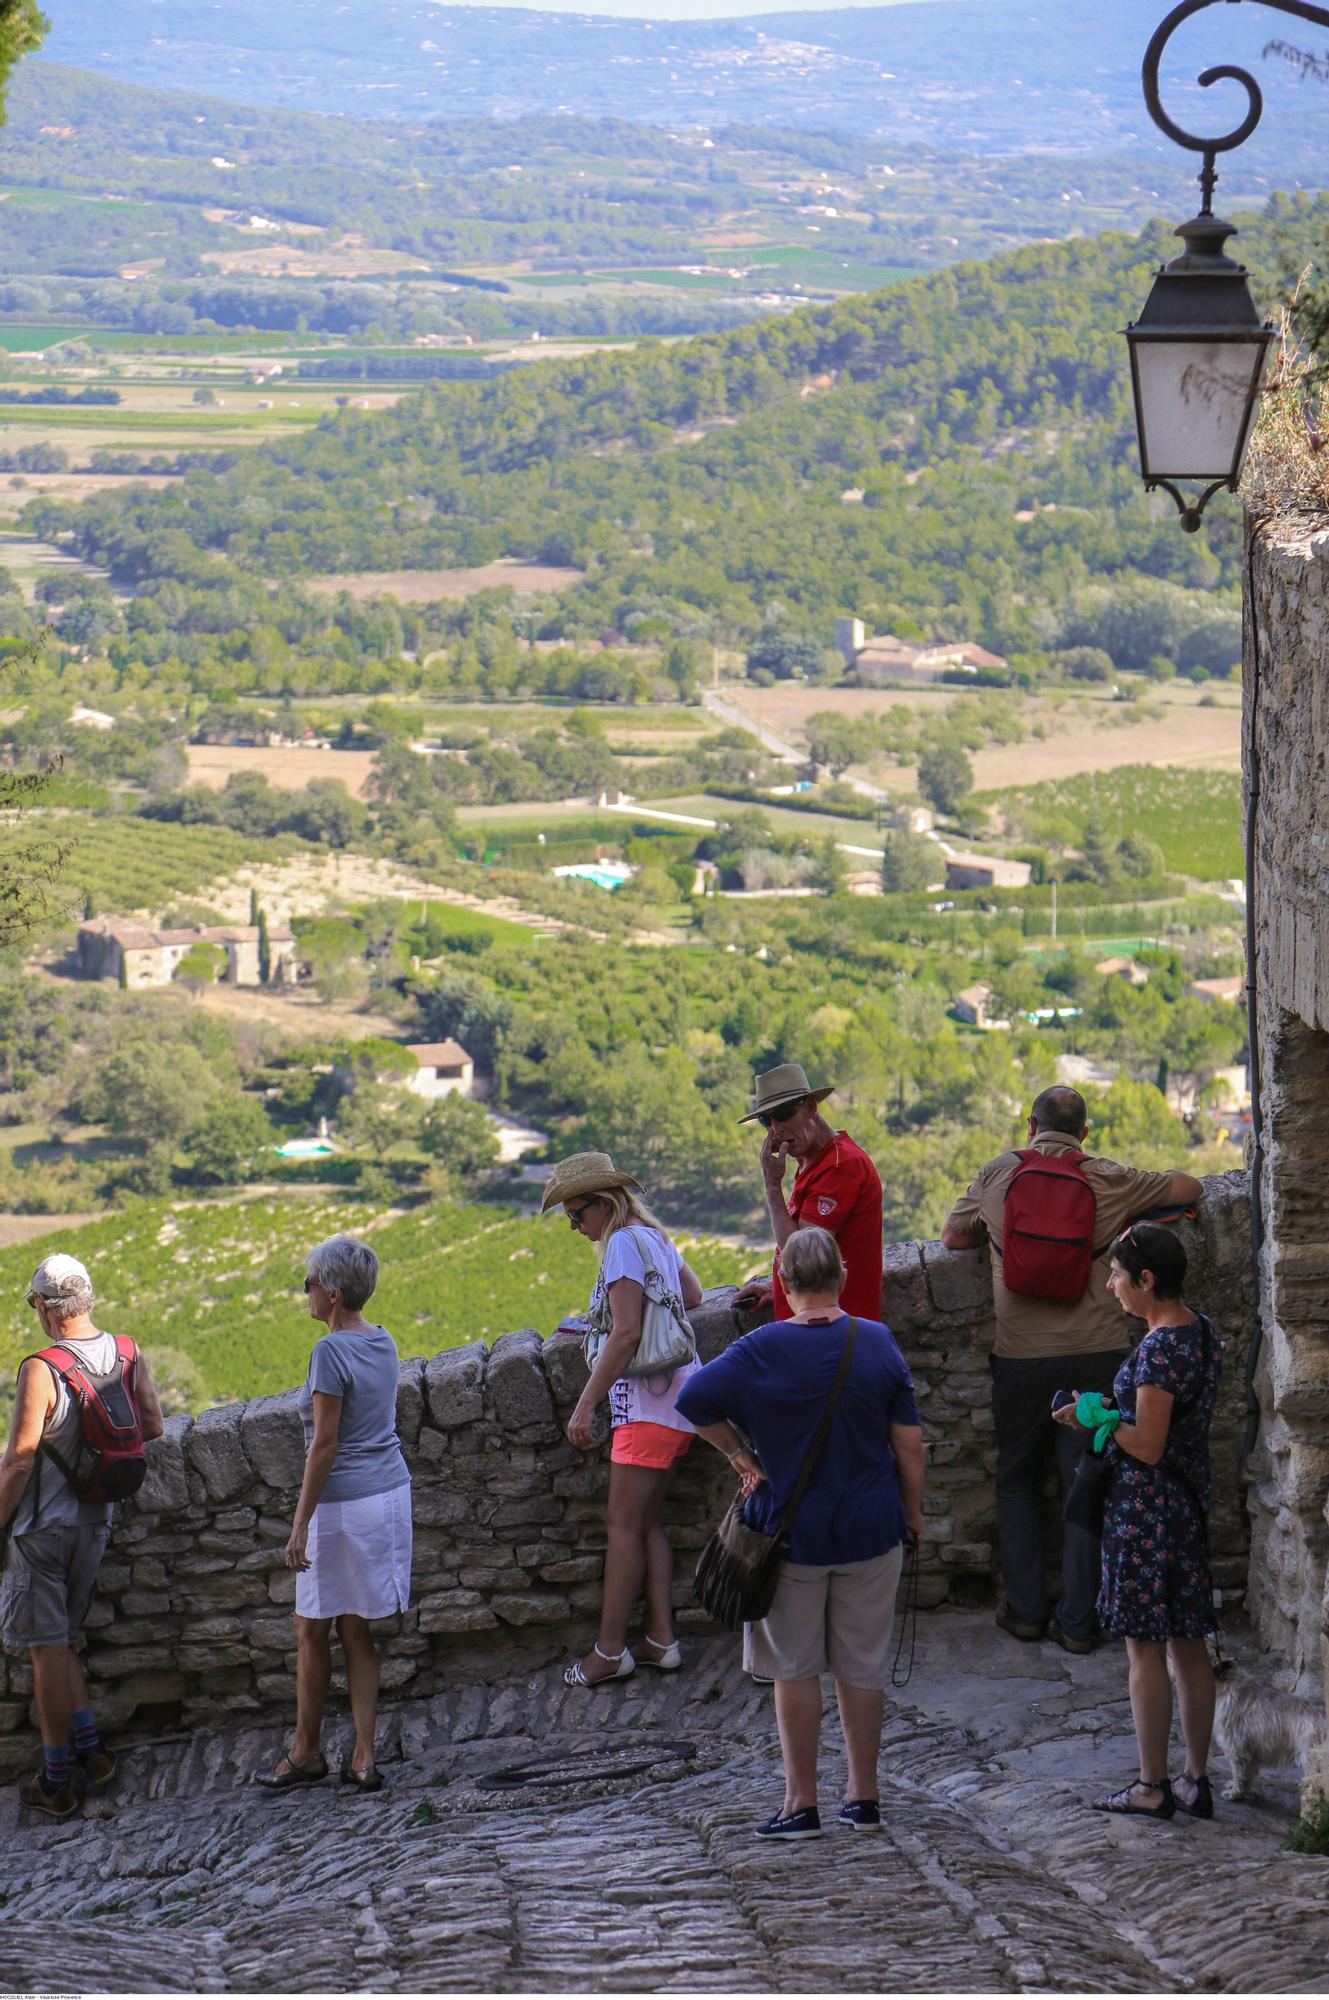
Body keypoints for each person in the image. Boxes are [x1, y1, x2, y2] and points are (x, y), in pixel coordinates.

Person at [676, 1226, 925, 1841]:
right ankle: (863, 1797)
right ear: (841, 1274)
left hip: (788, 1537)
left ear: (782, 1280)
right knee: (861, 1667)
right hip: (870, 1529)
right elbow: (909, 1446)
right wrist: (911, 1513)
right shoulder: (876, 1342)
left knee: (795, 1670)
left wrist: (740, 1455)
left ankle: (801, 1802)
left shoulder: (759, 1349)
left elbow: (694, 1398)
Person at [942, 1085, 1202, 1654]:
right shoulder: (1107, 1176)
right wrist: (1141, 1207)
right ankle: (1080, 1624)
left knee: (1016, 1480)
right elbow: (1192, 1186)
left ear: (1030, 1125)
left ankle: (1028, 1613)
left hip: (1019, 1355)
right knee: (1085, 1483)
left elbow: (950, 1235)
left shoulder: (996, 1173)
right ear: (1084, 1133)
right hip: (1096, 1353)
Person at [1053, 1223, 1221, 1819]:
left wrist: (1096, 1417)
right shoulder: (1202, 1331)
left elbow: (1147, 1445)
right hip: (1185, 1506)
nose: (1111, 1285)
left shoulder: (1157, 1349)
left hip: (1145, 1515)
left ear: (1147, 1280)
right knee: (1189, 1645)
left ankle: (1151, 1786)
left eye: (1119, 1276)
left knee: (1145, 1651)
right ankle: (1195, 1779)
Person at [0, 1253, 163, 1820]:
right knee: (65, 1637)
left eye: (34, 1304)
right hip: (97, 1518)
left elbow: (18, 1462)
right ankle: (93, 1753)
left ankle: (56, 1780)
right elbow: (155, 1425)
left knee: (45, 1651)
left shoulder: (40, 1368)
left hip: (42, 1528)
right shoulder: (126, 1350)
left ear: (46, 1307)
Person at [544, 1151, 705, 1689]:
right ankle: (661, 1641)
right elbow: (694, 1295)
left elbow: (628, 1333)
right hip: (681, 1399)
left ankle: (609, 1651)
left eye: (577, 1214)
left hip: (646, 1406)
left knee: (623, 1528)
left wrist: (585, 1403)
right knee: (648, 1523)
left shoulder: (619, 1244)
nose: (574, 1227)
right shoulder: (653, 1235)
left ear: (604, 1202)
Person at [258, 1234, 411, 1794]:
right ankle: (364, 1756)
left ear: (334, 1293)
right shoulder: (384, 1341)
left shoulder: (329, 1351)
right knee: (357, 1629)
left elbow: (324, 1446)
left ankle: (306, 1751)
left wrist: (300, 1524)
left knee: (310, 1629)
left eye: (310, 1283)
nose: (306, 1292)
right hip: (389, 1496)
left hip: (342, 1504)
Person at [739, 1063, 883, 1323]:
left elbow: (803, 1259)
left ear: (811, 1108)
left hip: (832, 1335)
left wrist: (772, 1187)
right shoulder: (815, 1163)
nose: (776, 1129)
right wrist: (779, 1289)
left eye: (783, 1114)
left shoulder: (840, 1167)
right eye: (766, 1121)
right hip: (821, 1329)